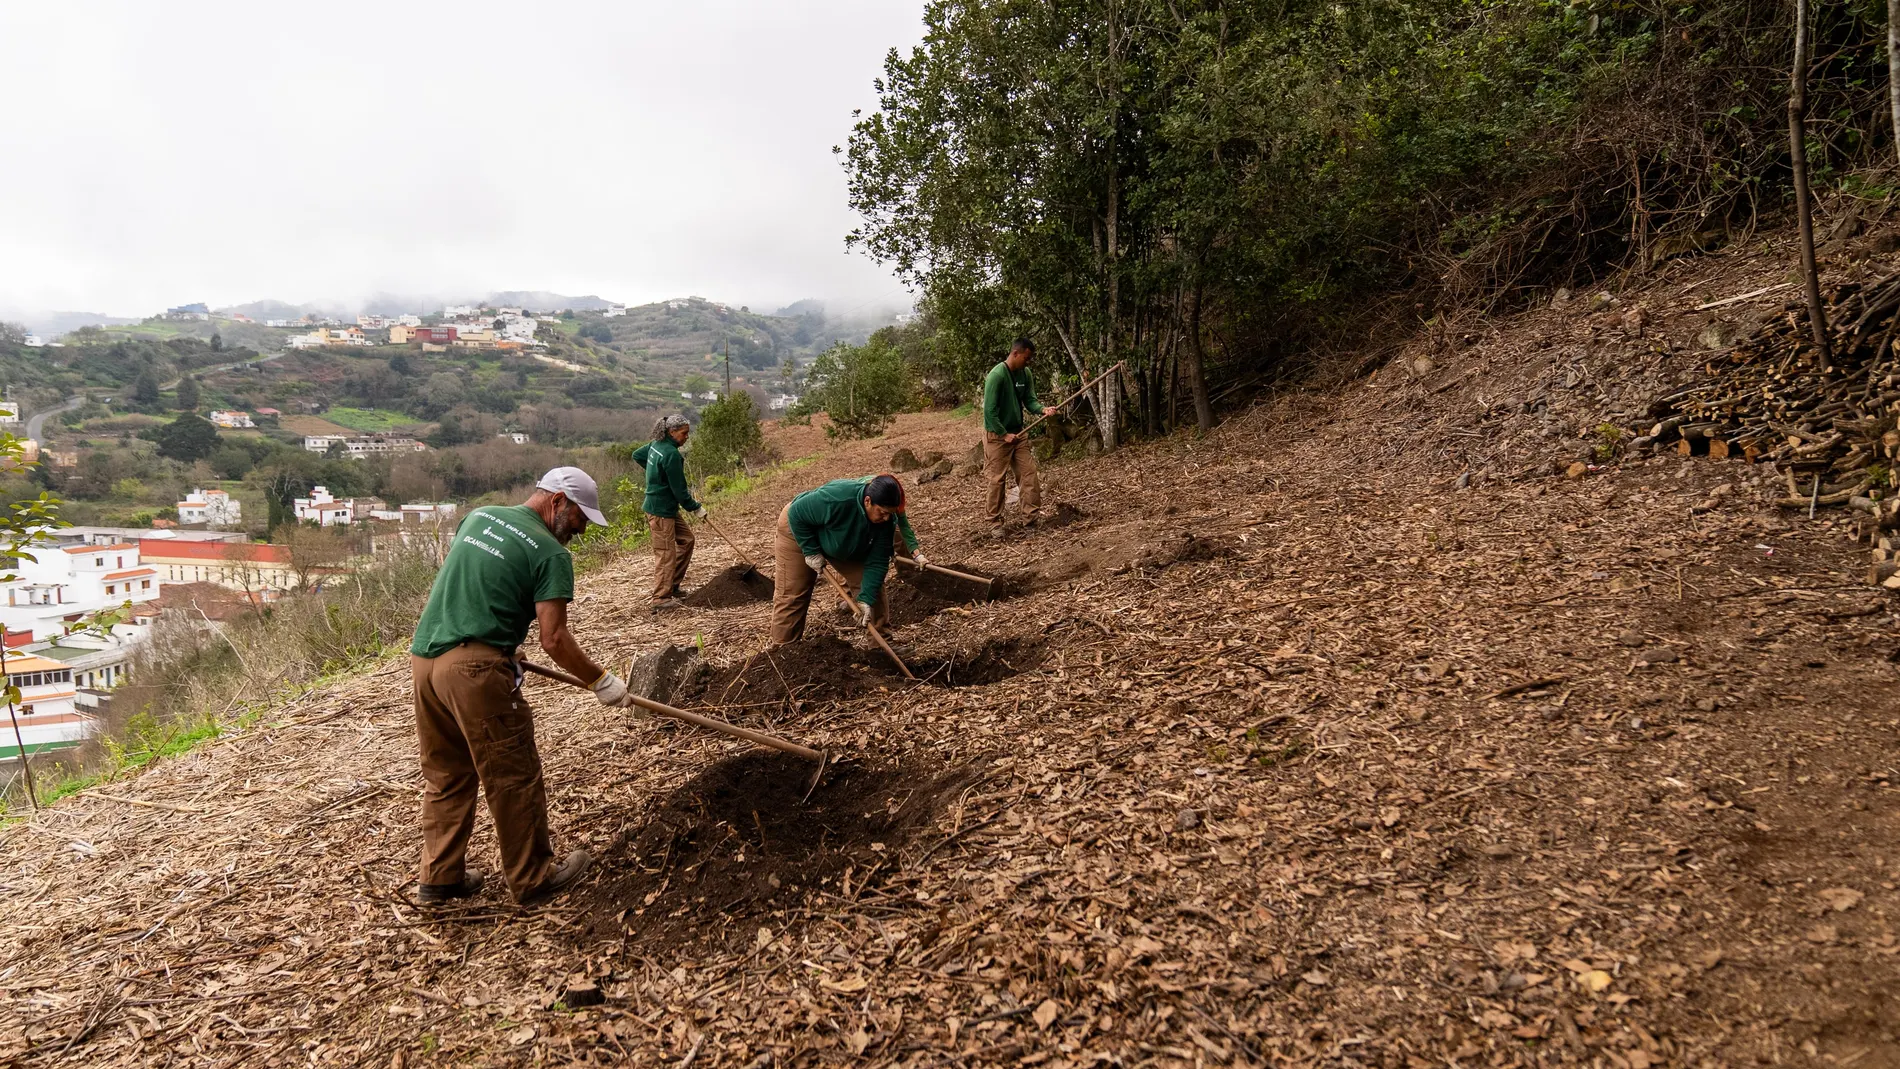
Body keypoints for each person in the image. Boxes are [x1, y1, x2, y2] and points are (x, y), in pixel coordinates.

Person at [407, 466, 635, 907]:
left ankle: (440, 878)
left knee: (447, 774)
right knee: (512, 775)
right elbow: (554, 639)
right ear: (557, 501)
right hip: (474, 674)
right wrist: (600, 681)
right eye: (579, 518)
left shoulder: (478, 518)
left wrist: (503, 647)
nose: (581, 530)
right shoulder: (551, 555)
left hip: (425, 661)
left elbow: (478, 588)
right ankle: (532, 877)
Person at [770, 474, 924, 645]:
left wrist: (865, 599)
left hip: (839, 539)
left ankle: (881, 648)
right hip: (798, 529)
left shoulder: (885, 521)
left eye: (890, 514)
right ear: (867, 501)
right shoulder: (837, 499)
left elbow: (878, 562)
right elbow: (797, 512)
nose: (886, 518)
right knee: (793, 594)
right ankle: (783, 650)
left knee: (871, 586)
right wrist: (810, 550)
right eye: (882, 512)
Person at [981, 337, 1060, 537]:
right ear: (1015, 353)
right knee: (997, 480)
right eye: (1026, 357)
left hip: (1019, 433)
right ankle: (995, 524)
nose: (1028, 362)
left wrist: (1043, 409)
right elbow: (989, 412)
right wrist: (1003, 434)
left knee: (1028, 474)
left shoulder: (1025, 374)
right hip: (997, 435)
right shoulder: (996, 376)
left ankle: (1031, 519)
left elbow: (1030, 401)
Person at [639, 415, 704, 611]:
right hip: (660, 511)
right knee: (666, 553)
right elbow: (680, 491)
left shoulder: (655, 445)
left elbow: (637, 455)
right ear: (672, 432)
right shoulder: (670, 455)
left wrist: (657, 474)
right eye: (684, 433)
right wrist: (696, 507)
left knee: (687, 540)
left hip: (667, 508)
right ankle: (660, 598)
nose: (686, 437)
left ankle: (673, 585)